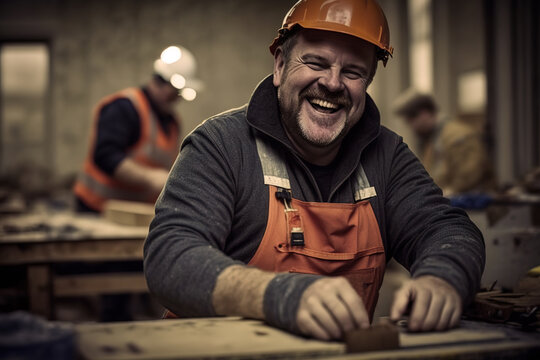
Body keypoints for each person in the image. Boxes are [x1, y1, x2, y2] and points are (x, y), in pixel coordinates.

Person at [144, 0, 485, 340]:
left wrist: (443, 276)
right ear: (279, 65)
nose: (333, 84)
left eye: (352, 72)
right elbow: (171, 257)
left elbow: (446, 229)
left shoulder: (387, 156)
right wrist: (279, 295)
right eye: (315, 62)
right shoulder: (222, 145)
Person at [74, 45, 202, 212]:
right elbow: (105, 155)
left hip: (136, 215)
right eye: (174, 93)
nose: (176, 100)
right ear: (161, 82)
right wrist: (151, 178)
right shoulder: (125, 107)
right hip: (96, 208)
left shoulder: (172, 123)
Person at [393, 89, 493, 196]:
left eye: (411, 120)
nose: (411, 127)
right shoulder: (434, 138)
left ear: (424, 113)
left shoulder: (457, 136)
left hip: (475, 206)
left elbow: (469, 177)